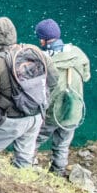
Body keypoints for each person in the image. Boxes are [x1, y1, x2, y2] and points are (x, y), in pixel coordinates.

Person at [0, 17, 56, 168]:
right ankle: (21, 182)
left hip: (12, 120)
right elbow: (53, 80)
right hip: (37, 116)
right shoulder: (35, 51)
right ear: (13, 33)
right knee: (25, 157)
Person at [33, 18, 91, 177]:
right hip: (74, 111)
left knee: (34, 139)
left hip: (52, 113)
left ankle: (25, 166)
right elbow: (86, 77)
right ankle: (58, 173)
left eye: (40, 38)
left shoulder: (45, 61)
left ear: (43, 40)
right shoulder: (78, 53)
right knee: (63, 144)